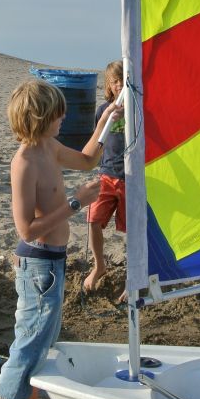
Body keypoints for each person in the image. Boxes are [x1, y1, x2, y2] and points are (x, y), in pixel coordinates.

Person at [0, 79, 119, 399]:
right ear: (42, 118)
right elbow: (26, 228)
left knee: (43, 338)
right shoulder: (24, 161)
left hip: (53, 263)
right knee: (26, 346)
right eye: (59, 113)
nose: (64, 117)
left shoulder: (50, 148)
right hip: (37, 265)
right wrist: (78, 201)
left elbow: (89, 159)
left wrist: (106, 120)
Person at [84, 60, 126, 292]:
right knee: (92, 219)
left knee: (134, 229)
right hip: (107, 173)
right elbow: (97, 142)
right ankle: (99, 265)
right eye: (115, 81)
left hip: (132, 178)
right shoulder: (103, 110)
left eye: (123, 80)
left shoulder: (139, 107)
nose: (120, 85)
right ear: (109, 85)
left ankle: (135, 274)